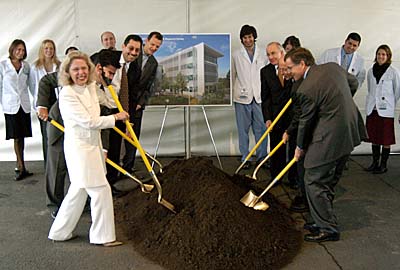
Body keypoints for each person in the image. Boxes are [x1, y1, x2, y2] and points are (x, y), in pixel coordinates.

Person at [48, 51, 129, 247]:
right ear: (68, 72)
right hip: (79, 148)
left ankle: (60, 231)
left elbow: (109, 102)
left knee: (79, 190)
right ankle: (102, 236)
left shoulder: (92, 86)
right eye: (76, 69)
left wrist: (104, 83)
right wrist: (116, 118)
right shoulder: (67, 94)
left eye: (84, 68)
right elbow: (89, 121)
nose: (81, 73)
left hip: (94, 145)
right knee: (100, 189)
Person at [285, 47, 366, 243]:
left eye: (290, 68)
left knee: (313, 179)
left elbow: (305, 122)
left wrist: (299, 147)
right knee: (327, 180)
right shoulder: (333, 68)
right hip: (349, 130)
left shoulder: (306, 89)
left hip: (330, 136)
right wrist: (340, 101)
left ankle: (328, 228)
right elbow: (353, 83)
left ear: (302, 64)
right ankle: (320, 218)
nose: (288, 72)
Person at [37, 47, 78, 217]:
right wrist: (42, 106)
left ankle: (84, 203)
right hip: (59, 126)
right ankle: (55, 204)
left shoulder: (99, 82)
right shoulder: (69, 74)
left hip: (80, 129)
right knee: (57, 166)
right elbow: (46, 81)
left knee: (81, 167)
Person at [103, 34, 142, 187]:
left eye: (137, 50)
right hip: (102, 110)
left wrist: (126, 120)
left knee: (115, 150)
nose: (133, 53)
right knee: (103, 150)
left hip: (119, 112)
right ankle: (100, 186)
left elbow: (128, 95)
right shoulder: (107, 58)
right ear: (123, 47)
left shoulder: (135, 68)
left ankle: (111, 185)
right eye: (131, 48)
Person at [122, 31, 163, 173]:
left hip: (137, 105)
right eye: (152, 44)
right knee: (117, 136)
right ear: (146, 41)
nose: (154, 48)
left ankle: (128, 167)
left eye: (157, 47)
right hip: (121, 100)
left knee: (133, 136)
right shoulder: (133, 54)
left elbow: (150, 86)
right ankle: (114, 168)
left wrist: (141, 102)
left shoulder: (154, 63)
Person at [261, 42, 298, 186]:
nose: (270, 57)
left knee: (294, 147)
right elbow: (265, 98)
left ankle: (294, 178)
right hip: (275, 116)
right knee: (276, 148)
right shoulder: (265, 71)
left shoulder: (292, 68)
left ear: (281, 53)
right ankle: (276, 177)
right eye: (268, 54)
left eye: (273, 53)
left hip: (292, 116)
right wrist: (267, 118)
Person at [232, 24, 268, 169]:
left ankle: (262, 157)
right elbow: (232, 75)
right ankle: (245, 157)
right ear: (241, 39)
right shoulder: (235, 54)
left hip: (259, 97)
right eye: (245, 38)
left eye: (250, 37)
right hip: (242, 97)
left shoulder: (263, 53)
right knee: (243, 129)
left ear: (254, 37)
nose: (248, 40)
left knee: (261, 129)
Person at [0, 39, 34, 180]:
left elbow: (31, 85)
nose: (20, 52)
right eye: (18, 49)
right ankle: (20, 166)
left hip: (23, 105)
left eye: (23, 50)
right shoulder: (3, 65)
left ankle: (21, 165)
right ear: (12, 50)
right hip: (11, 105)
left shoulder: (26, 66)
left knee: (22, 136)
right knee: (16, 136)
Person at [365, 45, 400, 174]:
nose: (381, 56)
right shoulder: (370, 71)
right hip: (373, 109)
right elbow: (370, 89)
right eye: (379, 54)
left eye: (384, 54)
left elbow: (397, 91)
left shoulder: (393, 72)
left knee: (385, 139)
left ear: (388, 56)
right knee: (374, 137)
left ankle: (383, 165)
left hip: (386, 110)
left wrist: (389, 102)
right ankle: (374, 163)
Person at [31, 39, 61, 166]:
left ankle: (58, 163)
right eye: (46, 48)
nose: (49, 51)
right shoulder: (35, 67)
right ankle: (48, 164)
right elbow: (33, 87)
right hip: (44, 102)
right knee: (46, 134)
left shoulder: (59, 65)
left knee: (57, 133)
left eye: (51, 48)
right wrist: (39, 103)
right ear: (42, 50)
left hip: (57, 100)